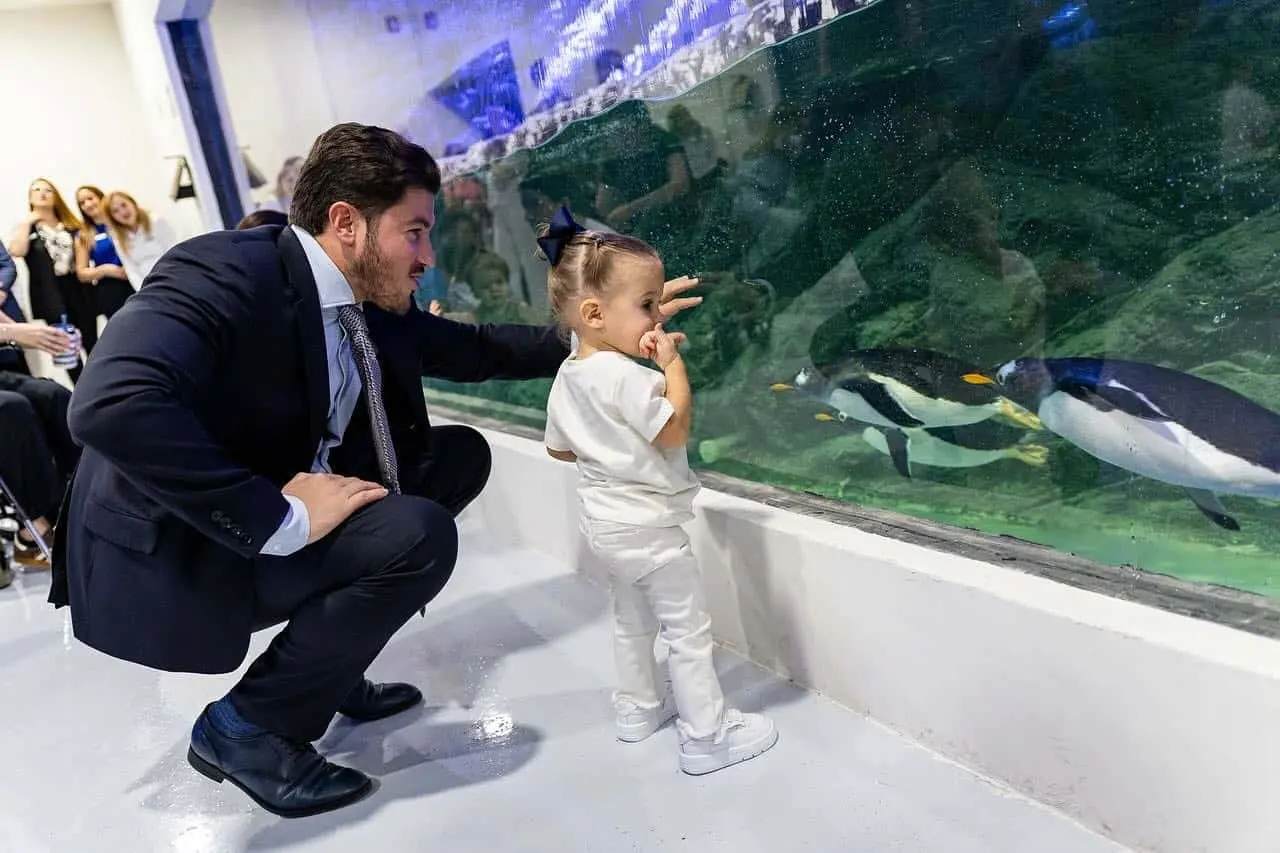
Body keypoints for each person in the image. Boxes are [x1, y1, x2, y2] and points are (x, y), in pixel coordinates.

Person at [52, 123, 701, 818]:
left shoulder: (368, 302)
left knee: (455, 460)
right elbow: (109, 404)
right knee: (417, 532)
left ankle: (326, 669)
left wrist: (610, 327)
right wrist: (279, 513)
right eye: (415, 232)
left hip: (267, 513)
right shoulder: (222, 272)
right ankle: (248, 727)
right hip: (179, 544)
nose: (426, 256)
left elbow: (475, 348)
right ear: (346, 224)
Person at [540, 207, 777, 776]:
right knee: (688, 634)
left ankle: (638, 709)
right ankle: (706, 737)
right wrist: (672, 365)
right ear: (596, 313)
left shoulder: (571, 371)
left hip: (603, 527)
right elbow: (673, 429)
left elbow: (559, 450)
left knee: (630, 620)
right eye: (646, 305)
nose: (655, 316)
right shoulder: (631, 376)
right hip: (650, 532)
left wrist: (609, 446)